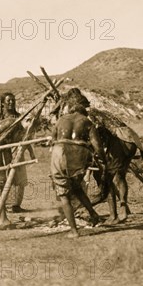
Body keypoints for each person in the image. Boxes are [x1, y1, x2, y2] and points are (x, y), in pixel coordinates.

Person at [50, 102, 106, 238]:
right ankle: (93, 214)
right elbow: (97, 146)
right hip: (79, 155)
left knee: (64, 194)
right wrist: (103, 160)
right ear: (83, 112)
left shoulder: (61, 119)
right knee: (76, 187)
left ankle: (74, 231)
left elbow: (53, 139)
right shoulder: (87, 122)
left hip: (60, 153)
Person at [0, 92, 34, 212]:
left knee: (20, 179)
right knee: (1, 180)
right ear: (2, 103)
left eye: (13, 100)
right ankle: (1, 207)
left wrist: (30, 151)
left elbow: (25, 137)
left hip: (17, 150)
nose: (11, 102)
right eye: (8, 100)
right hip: (0, 152)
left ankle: (16, 205)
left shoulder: (19, 117)